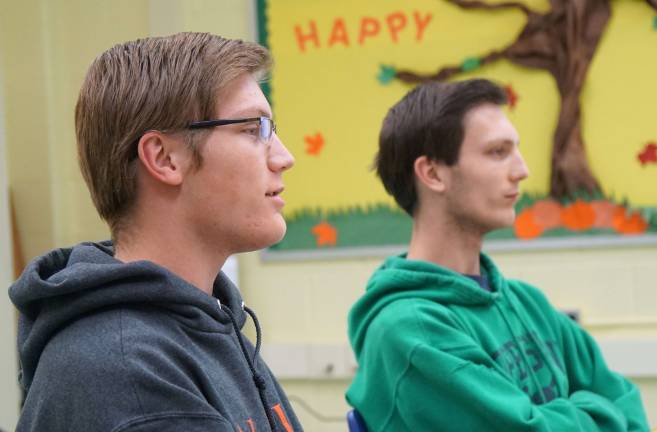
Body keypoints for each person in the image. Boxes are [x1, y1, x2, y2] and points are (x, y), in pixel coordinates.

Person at [9, 32, 301, 431]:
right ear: (163, 158)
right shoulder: (129, 376)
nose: (285, 157)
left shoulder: (208, 323)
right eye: (253, 130)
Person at [346, 79, 649, 431]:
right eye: (497, 152)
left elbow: (629, 406)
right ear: (432, 173)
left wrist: (573, 414)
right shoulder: (410, 332)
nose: (522, 171)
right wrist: (594, 408)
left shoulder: (526, 301)